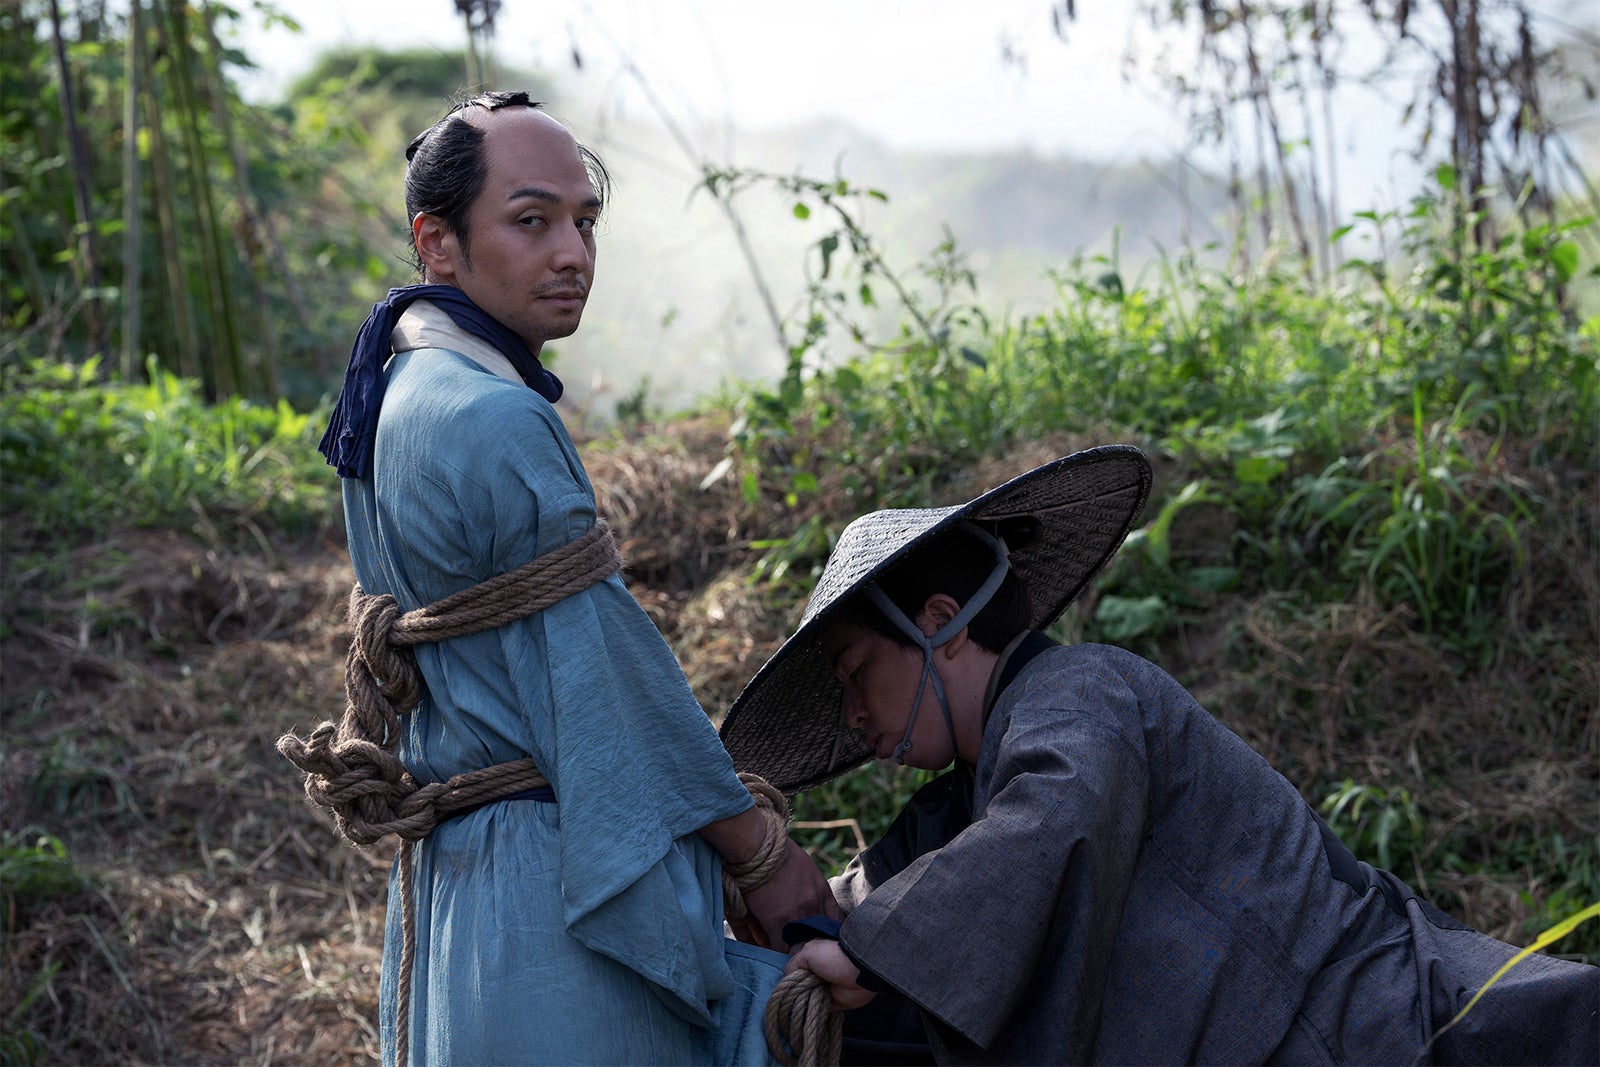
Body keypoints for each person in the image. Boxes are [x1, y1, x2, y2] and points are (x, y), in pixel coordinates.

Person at [719, 445, 1600, 1065]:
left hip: (1372, 1028)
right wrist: (789, 906)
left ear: (940, 624)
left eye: (855, 672)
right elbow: (881, 901)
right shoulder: (958, 810)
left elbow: (1047, 818)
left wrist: (873, 951)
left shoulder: (1083, 690)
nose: (851, 712)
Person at [288, 91, 835, 1066]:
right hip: (549, 905)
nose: (573, 252)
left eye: (584, 222)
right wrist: (761, 853)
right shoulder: (495, 418)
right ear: (436, 241)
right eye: (531, 220)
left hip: (453, 905)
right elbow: (609, 682)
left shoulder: (392, 397)